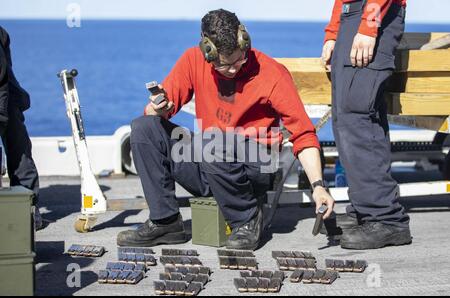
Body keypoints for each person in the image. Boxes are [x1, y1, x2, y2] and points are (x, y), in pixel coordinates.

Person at [117, 9, 334, 250]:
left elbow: (303, 134)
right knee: (143, 127)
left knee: (212, 142)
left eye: (239, 60)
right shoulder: (193, 60)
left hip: (255, 167)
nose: (232, 70)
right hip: (212, 161)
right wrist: (158, 108)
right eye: (223, 65)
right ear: (206, 50)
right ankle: (165, 221)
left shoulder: (272, 73)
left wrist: (318, 187)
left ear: (245, 41)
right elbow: (156, 110)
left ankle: (247, 219)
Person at [321, 0, 411, 249]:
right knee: (347, 119)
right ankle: (366, 209)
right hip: (353, 17)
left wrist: (370, 23)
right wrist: (333, 32)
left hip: (372, 13)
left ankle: (385, 218)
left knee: (357, 118)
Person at [0, 26, 42, 230]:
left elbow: (3, 78)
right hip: (8, 94)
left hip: (5, 96)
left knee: (19, 151)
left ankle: (28, 212)